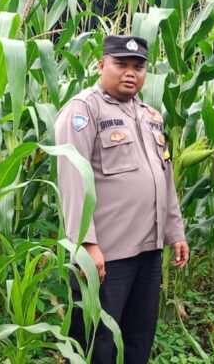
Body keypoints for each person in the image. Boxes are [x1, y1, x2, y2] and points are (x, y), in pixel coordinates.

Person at [56, 34, 189, 364]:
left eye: (138, 67)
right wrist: (86, 245)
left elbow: (164, 177)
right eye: (121, 64)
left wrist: (175, 232)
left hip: (148, 252)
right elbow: (72, 180)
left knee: (138, 339)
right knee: (96, 343)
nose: (131, 73)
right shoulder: (84, 110)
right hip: (107, 256)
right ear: (101, 65)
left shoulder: (150, 116)